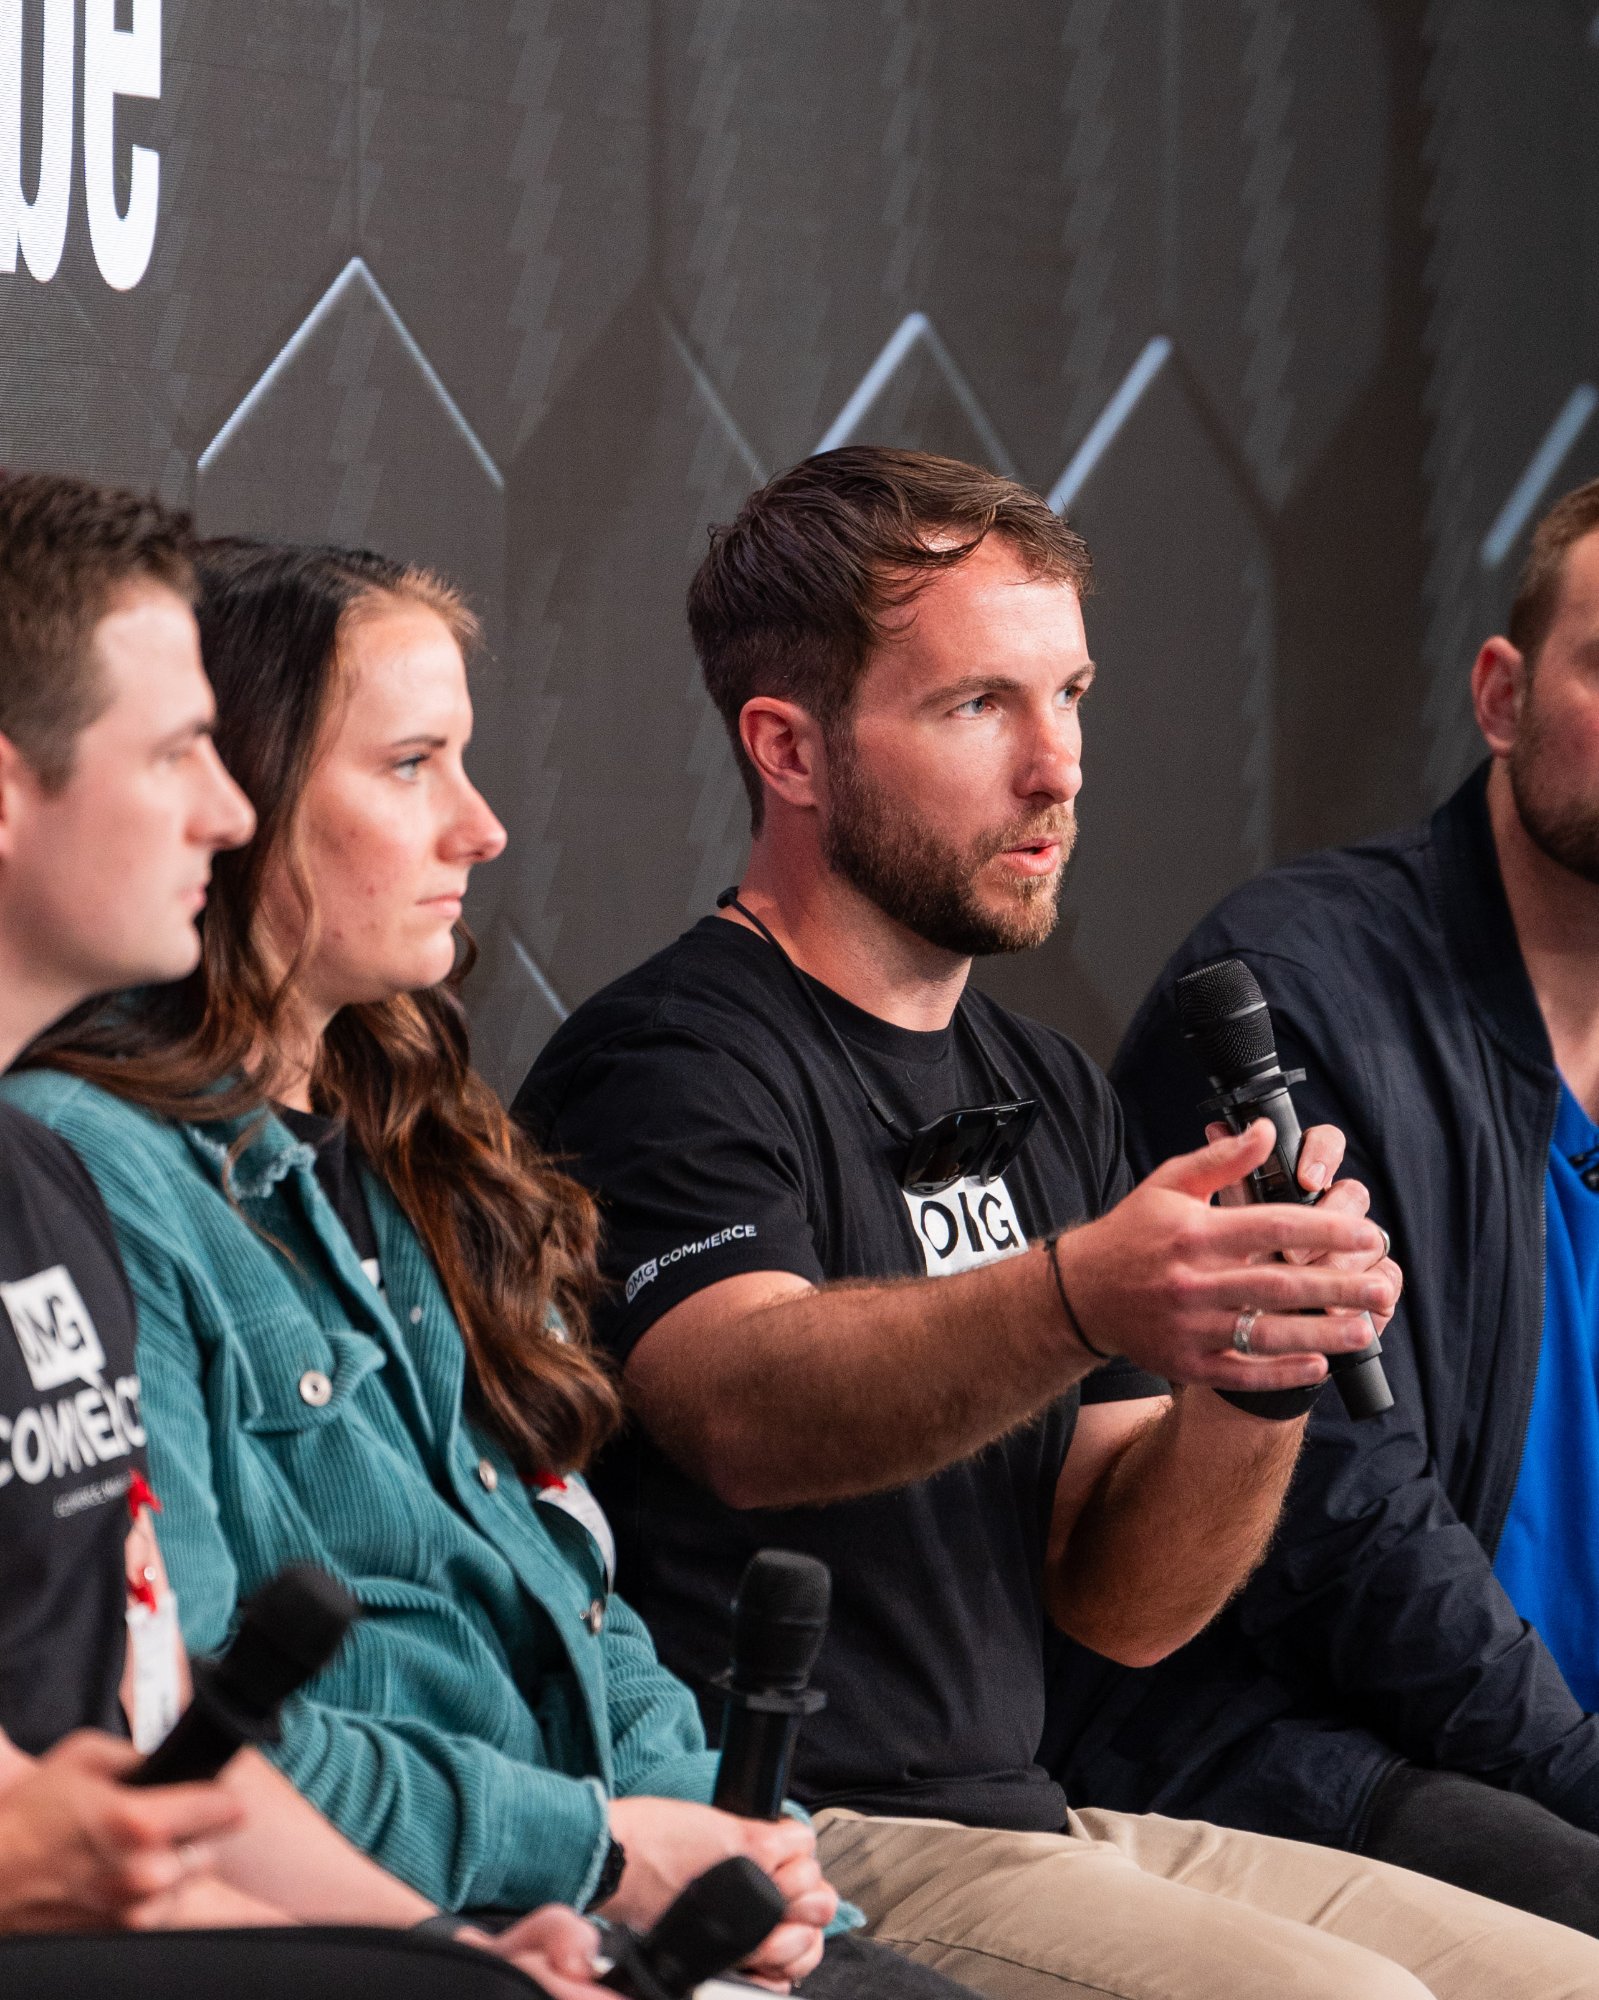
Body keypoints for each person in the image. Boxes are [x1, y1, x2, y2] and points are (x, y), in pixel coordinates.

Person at [514, 446, 1599, 2000]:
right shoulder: (671, 1059)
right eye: (980, 708)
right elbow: (738, 1405)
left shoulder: (1046, 1087)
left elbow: (1125, 1603)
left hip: (1042, 1808)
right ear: (789, 749)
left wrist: (1252, 1380)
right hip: (798, 1836)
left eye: (1071, 696)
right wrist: (1089, 1292)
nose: (1059, 767)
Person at [4, 531, 975, 2000]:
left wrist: (720, 1832)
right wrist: (576, 1861)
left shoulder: (414, 1147)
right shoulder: (87, 1165)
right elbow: (184, 1718)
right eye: (411, 766)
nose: (482, 828)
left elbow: (574, 1593)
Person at [0, 469, 615, 1996]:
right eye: (179, 754)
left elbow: (142, 1757)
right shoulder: (104, 1161)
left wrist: (447, 1947)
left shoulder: (36, 1191)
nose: (225, 810)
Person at [1046, 472, 1599, 1940]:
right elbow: (1338, 1521)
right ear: (1502, 693)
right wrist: (1583, 1772)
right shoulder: (1297, 989)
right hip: (1301, 1729)